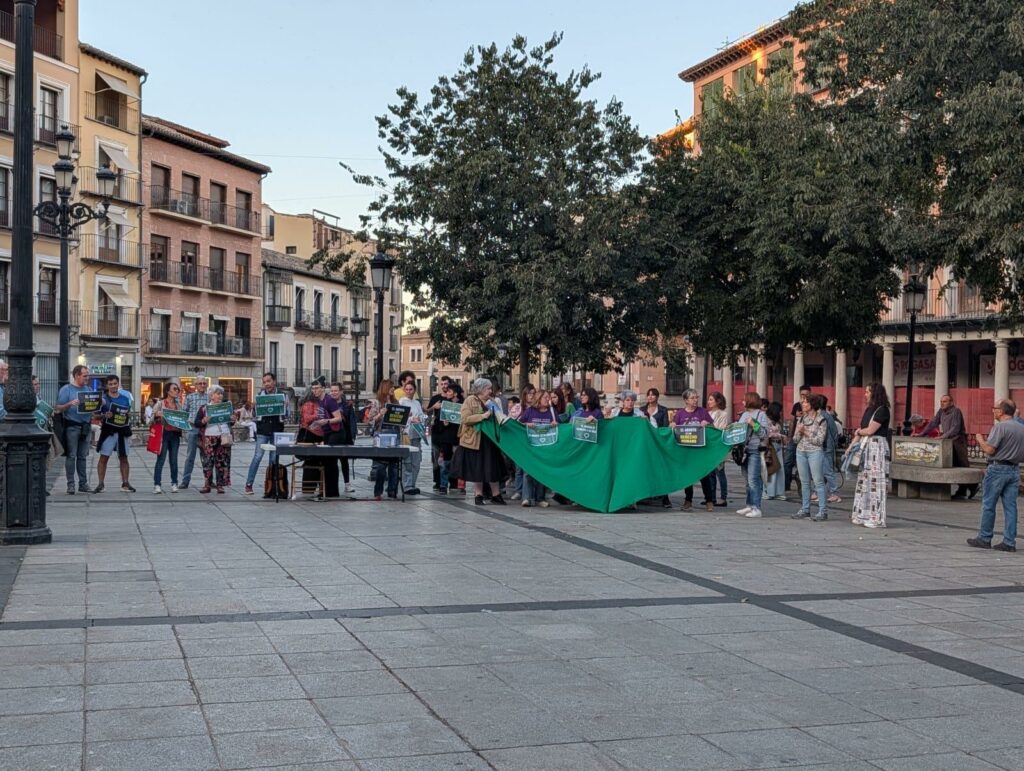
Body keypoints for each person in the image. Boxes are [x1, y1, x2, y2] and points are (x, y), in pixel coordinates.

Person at [967, 399, 1024, 553]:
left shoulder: (1000, 427)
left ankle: (984, 538)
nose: (993, 410)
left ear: (1001, 411)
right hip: (1014, 469)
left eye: (995, 408)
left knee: (988, 504)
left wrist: (980, 440)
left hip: (998, 468)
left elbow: (990, 450)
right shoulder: (1021, 428)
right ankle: (1009, 541)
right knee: (1011, 507)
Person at [451, 377, 507, 505]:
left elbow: (499, 417)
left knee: (493, 467)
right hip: (475, 439)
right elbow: (465, 419)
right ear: (481, 389)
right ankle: (478, 495)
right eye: (488, 388)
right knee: (478, 468)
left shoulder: (492, 401)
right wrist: (482, 416)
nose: (490, 390)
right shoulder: (470, 400)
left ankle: (496, 494)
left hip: (490, 439)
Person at [848, 382, 891, 529]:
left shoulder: (882, 410)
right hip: (866, 447)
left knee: (875, 482)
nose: (865, 394)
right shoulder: (869, 410)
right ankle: (862, 514)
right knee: (864, 481)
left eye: (868, 391)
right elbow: (862, 430)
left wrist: (859, 433)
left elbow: (870, 430)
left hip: (876, 447)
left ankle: (876, 517)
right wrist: (850, 447)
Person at [923, 395, 977, 499]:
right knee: (954, 465)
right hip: (948, 442)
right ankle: (962, 490)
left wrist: (943, 436)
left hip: (958, 441)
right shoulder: (941, 411)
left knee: (962, 465)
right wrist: (921, 433)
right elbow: (933, 423)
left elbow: (955, 428)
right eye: (941, 401)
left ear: (951, 402)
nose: (942, 403)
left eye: (945, 401)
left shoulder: (956, 411)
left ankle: (972, 486)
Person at [244, 372, 289, 496]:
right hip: (263, 430)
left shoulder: (283, 395)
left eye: (268, 381)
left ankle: (272, 487)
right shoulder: (260, 395)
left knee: (274, 459)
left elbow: (287, 416)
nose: (266, 384)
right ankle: (249, 484)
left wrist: (285, 408)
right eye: (264, 382)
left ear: (274, 381)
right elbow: (254, 416)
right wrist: (254, 408)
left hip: (277, 431)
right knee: (257, 456)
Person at [54, 365, 94, 494]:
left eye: (88, 375)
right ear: (77, 375)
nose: (87, 378)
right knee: (71, 456)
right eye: (85, 375)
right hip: (72, 426)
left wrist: (100, 402)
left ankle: (83, 483)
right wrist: (70, 403)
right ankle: (70, 484)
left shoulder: (88, 389)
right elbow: (58, 408)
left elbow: (94, 405)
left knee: (82, 456)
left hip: (86, 427)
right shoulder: (67, 389)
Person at [674, 388, 714, 512]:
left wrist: (707, 424)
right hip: (686, 451)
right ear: (686, 400)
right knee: (688, 477)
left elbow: (713, 428)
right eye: (692, 398)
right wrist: (673, 426)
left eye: (696, 397)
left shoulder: (702, 412)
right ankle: (688, 500)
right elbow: (673, 429)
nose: (695, 400)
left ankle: (709, 500)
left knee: (704, 476)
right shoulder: (680, 414)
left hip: (700, 451)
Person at [94, 375, 135, 494]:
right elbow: (95, 416)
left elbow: (127, 413)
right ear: (107, 386)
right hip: (108, 431)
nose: (113, 386)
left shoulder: (125, 398)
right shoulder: (103, 399)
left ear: (118, 384)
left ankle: (125, 483)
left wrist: (127, 416)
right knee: (104, 457)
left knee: (124, 457)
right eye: (110, 384)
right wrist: (103, 416)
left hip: (122, 430)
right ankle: (101, 484)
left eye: (115, 383)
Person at [518, 389, 559, 507]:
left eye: (548, 397)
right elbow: (518, 424)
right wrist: (526, 424)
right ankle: (526, 497)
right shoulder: (530, 411)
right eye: (545, 397)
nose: (548, 399)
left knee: (541, 471)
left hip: (545, 447)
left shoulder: (552, 411)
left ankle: (540, 498)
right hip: (531, 446)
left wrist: (556, 424)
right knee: (527, 472)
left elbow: (559, 426)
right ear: (538, 398)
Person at [792, 393, 829, 521]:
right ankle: (805, 509)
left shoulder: (821, 420)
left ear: (812, 404)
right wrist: (798, 432)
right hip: (801, 451)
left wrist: (805, 432)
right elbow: (795, 438)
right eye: (802, 402)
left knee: (818, 481)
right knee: (804, 482)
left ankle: (822, 510)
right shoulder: (801, 419)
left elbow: (819, 440)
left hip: (815, 452)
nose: (803, 404)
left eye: (805, 402)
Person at [196, 384, 233, 494]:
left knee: (222, 461)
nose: (220, 396)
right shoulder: (204, 408)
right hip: (209, 437)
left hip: (223, 437)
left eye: (221, 394)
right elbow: (197, 422)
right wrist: (203, 421)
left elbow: (231, 421)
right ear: (211, 396)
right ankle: (207, 484)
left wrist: (233, 419)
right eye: (218, 394)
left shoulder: (227, 407)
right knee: (208, 462)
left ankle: (220, 485)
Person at [736, 392, 768, 518]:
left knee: (753, 479)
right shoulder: (744, 414)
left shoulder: (761, 414)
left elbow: (764, 434)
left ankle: (756, 507)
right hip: (744, 450)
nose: (742, 402)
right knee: (747, 480)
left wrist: (753, 424)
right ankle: (749, 505)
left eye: (744, 400)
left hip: (755, 449)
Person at [369, 379, 400, 500]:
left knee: (394, 466)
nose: (393, 389)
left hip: (394, 435)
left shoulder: (395, 402)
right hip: (381, 436)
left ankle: (392, 491)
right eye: (391, 387)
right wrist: (380, 414)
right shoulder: (377, 403)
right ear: (386, 388)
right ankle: (378, 492)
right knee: (381, 467)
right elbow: (370, 421)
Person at [152, 382, 183, 494]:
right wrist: (158, 414)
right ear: (168, 391)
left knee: (173, 460)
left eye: (178, 389)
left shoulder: (178, 404)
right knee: (161, 459)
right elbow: (151, 417)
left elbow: (182, 418)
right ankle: (157, 484)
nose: (177, 391)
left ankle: (174, 483)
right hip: (163, 433)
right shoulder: (160, 403)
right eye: (175, 389)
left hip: (175, 434)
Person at [432, 380, 462, 495]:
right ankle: (443, 485)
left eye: (449, 391)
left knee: (458, 461)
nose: (447, 393)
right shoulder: (445, 404)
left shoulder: (462, 404)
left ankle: (456, 484)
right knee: (445, 463)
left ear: (455, 393)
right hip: (446, 439)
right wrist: (443, 424)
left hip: (458, 438)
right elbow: (438, 422)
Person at [398, 378, 427, 495]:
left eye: (411, 389)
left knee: (416, 460)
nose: (409, 391)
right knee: (407, 461)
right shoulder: (401, 402)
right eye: (407, 389)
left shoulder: (417, 403)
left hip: (417, 434)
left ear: (415, 390)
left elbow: (421, 416)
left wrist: (421, 419)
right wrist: (411, 418)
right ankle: (407, 485)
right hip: (406, 434)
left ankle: (413, 483)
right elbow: (400, 417)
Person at [180, 377, 209, 489]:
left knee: (206, 456)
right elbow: (184, 413)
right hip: (192, 428)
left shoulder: (209, 397)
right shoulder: (190, 397)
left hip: (205, 430)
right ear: (195, 385)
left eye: (204, 383)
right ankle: (185, 481)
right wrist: (186, 428)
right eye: (199, 383)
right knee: (190, 456)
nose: (202, 385)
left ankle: (208, 481)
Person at [330, 383, 358, 494]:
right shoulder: (327, 404)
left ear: (341, 392)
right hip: (331, 435)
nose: (333, 393)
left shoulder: (347, 405)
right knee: (331, 462)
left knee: (344, 461)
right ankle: (332, 485)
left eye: (336, 390)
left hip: (345, 436)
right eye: (332, 391)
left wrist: (352, 436)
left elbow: (352, 421)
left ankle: (347, 484)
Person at [427, 376, 452, 490]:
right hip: (437, 431)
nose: (444, 386)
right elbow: (427, 412)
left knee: (448, 458)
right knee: (436, 457)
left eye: (446, 384)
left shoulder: (453, 398)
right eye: (442, 384)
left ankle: (450, 481)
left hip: (449, 432)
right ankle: (437, 481)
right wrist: (434, 406)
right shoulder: (435, 398)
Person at [785, 385, 812, 491]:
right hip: (795, 437)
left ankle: (803, 485)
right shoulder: (796, 405)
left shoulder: (812, 406)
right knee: (787, 461)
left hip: (806, 438)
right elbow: (792, 421)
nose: (804, 397)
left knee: (803, 463)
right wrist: (789, 436)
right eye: (802, 395)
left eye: (806, 394)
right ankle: (786, 484)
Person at [706, 391, 730, 508]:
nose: (709, 402)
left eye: (711, 399)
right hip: (709, 446)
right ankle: (712, 497)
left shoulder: (723, 414)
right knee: (710, 474)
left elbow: (722, 429)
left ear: (717, 401)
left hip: (718, 446)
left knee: (720, 472)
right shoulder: (708, 413)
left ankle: (723, 497)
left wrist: (710, 425)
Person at [764, 401, 787, 501]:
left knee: (780, 469)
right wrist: (781, 436)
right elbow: (768, 433)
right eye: (780, 411)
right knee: (772, 468)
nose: (782, 413)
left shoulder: (776, 422)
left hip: (778, 445)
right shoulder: (766, 420)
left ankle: (779, 492)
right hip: (771, 446)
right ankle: (769, 491)